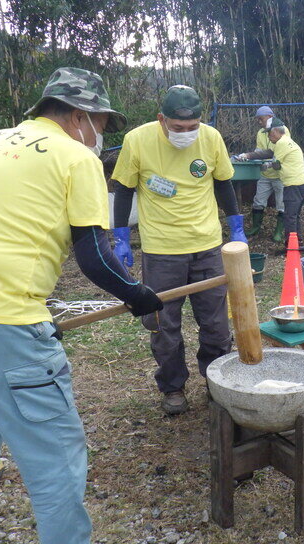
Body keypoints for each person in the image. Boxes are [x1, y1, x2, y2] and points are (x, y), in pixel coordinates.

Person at [0, 67, 163, 544]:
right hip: (0, 324)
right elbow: (94, 257)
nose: (101, 136)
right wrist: (136, 293)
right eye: (102, 124)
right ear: (78, 115)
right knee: (55, 465)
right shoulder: (74, 157)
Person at [111, 85, 245, 416]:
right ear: (162, 119)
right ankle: (173, 387)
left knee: (215, 325)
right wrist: (121, 236)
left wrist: (237, 226)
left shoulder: (211, 138)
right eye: (178, 127)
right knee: (163, 325)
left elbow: (224, 183)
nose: (187, 134)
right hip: (162, 251)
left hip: (208, 247)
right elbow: (124, 189)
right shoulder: (137, 140)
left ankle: (217, 382)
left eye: (192, 127)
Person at [234, 105, 290, 242]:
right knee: (258, 201)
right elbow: (259, 151)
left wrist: (248, 155)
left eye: (261, 119)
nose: (259, 122)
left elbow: (271, 152)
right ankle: (255, 228)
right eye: (257, 120)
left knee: (281, 204)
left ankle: (279, 232)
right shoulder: (261, 133)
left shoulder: (281, 130)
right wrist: (250, 157)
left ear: (270, 117)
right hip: (265, 174)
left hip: (280, 174)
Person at [261, 118, 304, 250]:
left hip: (293, 184)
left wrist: (266, 165)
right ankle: (297, 242)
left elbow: (276, 164)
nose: (269, 136)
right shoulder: (289, 141)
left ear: (276, 131)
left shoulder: (281, 143)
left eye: (269, 133)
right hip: (302, 183)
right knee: (295, 215)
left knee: (289, 216)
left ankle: (291, 247)